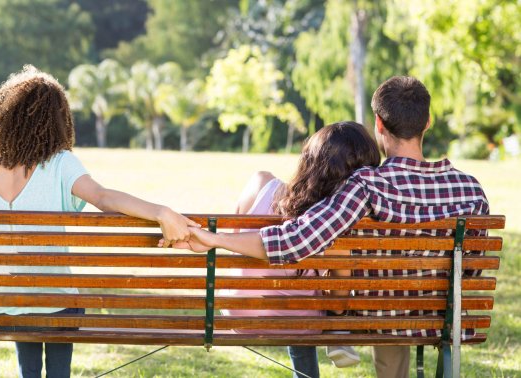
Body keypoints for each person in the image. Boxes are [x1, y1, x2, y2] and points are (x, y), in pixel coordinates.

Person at [169, 76, 490, 378]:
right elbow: (470, 271)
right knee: (397, 307)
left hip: (376, 316)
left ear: (379, 124)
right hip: (443, 321)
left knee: (385, 305)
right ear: (427, 123)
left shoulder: (366, 185)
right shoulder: (471, 190)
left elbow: (294, 241)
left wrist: (215, 238)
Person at [0, 65, 199, 378]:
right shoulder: (59, 165)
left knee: (22, 311)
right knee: (49, 307)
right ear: (56, 121)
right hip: (54, 308)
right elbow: (104, 197)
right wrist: (162, 212)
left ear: (4, 116)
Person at [225, 122, 380, 377]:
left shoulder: (261, 182)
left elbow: (235, 242)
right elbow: (339, 304)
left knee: (297, 300)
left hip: (237, 310)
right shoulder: (335, 223)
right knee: (303, 306)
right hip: (300, 322)